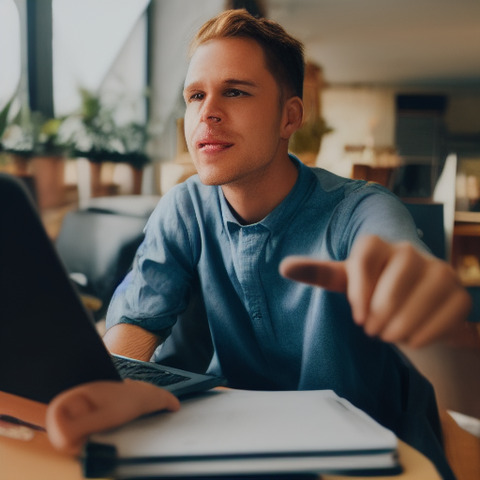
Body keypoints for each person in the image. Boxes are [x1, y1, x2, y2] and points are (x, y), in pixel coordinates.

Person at [99, 9, 470, 478]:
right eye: (195, 95)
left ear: (288, 117)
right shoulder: (184, 207)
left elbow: (396, 254)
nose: (206, 112)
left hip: (366, 458)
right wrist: (106, 385)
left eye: (234, 91)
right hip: (233, 442)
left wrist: (413, 288)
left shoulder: (359, 209)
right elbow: (135, 324)